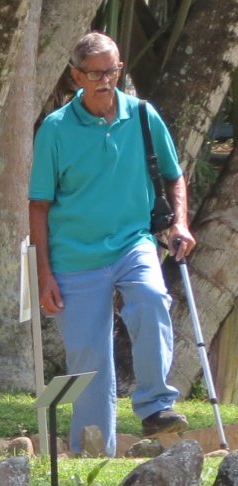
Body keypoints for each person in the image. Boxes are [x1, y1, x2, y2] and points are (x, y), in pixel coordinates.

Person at [28, 32, 195, 457]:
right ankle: (92, 453)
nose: (107, 80)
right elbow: (40, 204)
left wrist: (180, 222)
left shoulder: (142, 115)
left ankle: (156, 405)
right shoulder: (55, 129)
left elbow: (174, 175)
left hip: (132, 242)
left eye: (114, 70)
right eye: (97, 73)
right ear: (76, 76)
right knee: (89, 361)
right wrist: (44, 274)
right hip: (74, 257)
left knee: (153, 297)